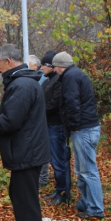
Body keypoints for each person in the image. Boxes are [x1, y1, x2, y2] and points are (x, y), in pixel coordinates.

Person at [0, 44, 51, 221]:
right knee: (22, 196)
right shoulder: (23, 83)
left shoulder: (21, 86)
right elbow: (15, 116)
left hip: (27, 152)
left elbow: (9, 122)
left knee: (25, 201)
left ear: (8, 62)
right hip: (29, 150)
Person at [53, 52, 104, 219]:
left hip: (83, 129)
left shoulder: (70, 77)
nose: (54, 70)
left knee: (88, 170)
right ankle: (86, 202)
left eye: (54, 67)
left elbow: (72, 102)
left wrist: (73, 126)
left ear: (60, 67)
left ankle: (95, 209)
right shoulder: (75, 74)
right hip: (86, 128)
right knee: (82, 169)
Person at [40, 50, 72, 205]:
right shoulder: (47, 81)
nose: (41, 68)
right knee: (54, 160)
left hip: (57, 126)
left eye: (44, 65)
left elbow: (54, 103)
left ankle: (64, 193)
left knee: (59, 161)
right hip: (48, 125)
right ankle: (59, 189)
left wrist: (39, 112)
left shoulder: (58, 81)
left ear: (52, 66)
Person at [29, 54, 49, 187]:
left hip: (44, 120)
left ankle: (43, 178)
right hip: (34, 120)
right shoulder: (34, 78)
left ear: (35, 66)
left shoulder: (42, 79)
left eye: (28, 65)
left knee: (42, 148)